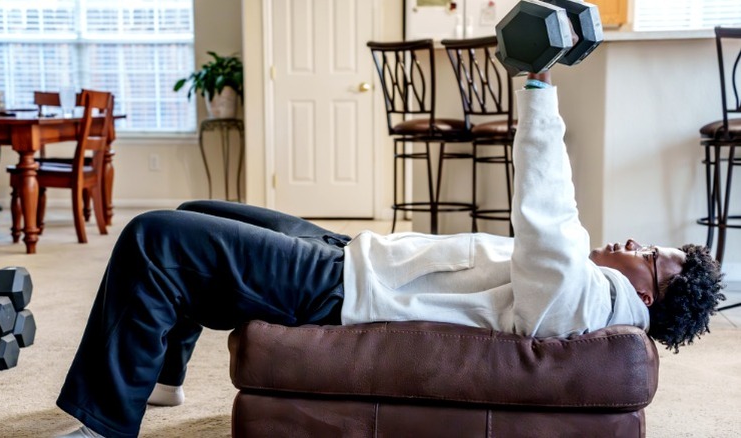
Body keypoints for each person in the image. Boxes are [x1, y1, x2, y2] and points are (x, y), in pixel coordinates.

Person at [57, 72, 725, 438]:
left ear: (647, 297)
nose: (635, 245)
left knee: (155, 236)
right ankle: (164, 378)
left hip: (344, 290)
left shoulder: (591, 297)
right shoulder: (592, 288)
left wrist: (540, 91)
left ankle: (106, 421)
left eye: (654, 259)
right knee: (199, 216)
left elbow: (548, 220)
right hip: (357, 257)